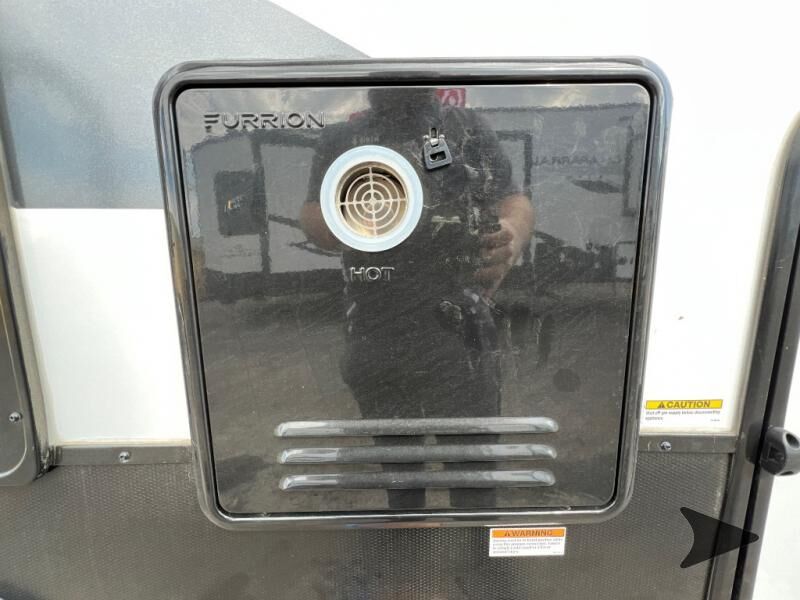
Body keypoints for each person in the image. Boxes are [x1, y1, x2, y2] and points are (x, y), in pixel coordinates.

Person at [300, 87, 533, 509]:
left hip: (462, 332)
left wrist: (511, 235)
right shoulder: (343, 138)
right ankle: (409, 538)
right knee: (400, 472)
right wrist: (363, 214)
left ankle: (474, 543)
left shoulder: (465, 128)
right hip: (378, 329)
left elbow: (512, 199)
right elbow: (313, 215)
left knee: (473, 469)